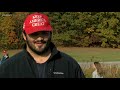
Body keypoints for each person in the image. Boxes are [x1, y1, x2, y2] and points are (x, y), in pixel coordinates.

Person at [0, 12, 85, 78]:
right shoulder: (9, 68)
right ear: (24, 36)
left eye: (44, 33)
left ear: (50, 34)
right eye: (34, 34)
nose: (40, 38)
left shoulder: (69, 65)